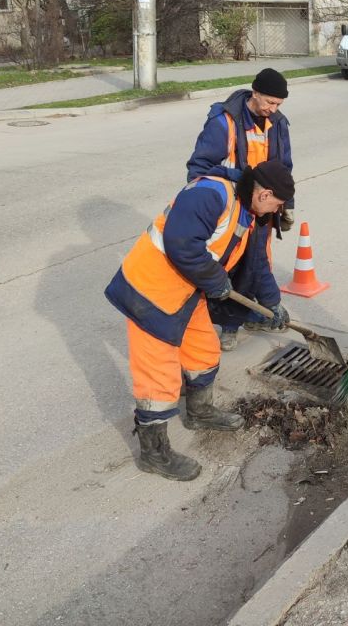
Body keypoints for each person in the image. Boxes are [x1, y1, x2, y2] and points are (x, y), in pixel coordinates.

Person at [105, 160, 295, 481]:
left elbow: (257, 262)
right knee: (159, 375)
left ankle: (199, 411)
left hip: (186, 291)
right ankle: (154, 453)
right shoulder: (212, 194)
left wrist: (272, 303)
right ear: (264, 194)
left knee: (204, 350)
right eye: (277, 206)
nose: (275, 213)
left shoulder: (246, 212)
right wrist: (214, 278)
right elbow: (181, 243)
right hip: (150, 292)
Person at [186, 68, 294, 350]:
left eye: (279, 104)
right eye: (269, 102)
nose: (273, 109)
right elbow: (198, 170)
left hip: (263, 208)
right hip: (231, 207)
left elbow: (285, 168)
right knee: (228, 265)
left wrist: (285, 205)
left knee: (255, 264)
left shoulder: (278, 124)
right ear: (254, 93)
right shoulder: (224, 122)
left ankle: (234, 323)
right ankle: (214, 323)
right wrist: (242, 181)